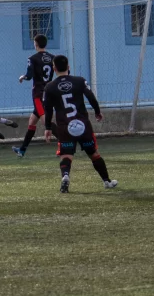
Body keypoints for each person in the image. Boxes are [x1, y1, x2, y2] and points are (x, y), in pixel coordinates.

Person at [43, 54, 117, 193]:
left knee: (66, 156)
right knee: (94, 154)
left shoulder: (49, 87)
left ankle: (65, 176)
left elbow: (48, 109)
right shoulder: (79, 81)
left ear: (54, 68)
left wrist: (48, 127)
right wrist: (97, 111)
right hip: (83, 125)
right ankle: (106, 181)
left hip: (65, 127)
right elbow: (91, 97)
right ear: (68, 67)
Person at [13, 34, 54, 158]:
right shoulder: (53, 58)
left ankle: (65, 144)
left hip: (38, 94)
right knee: (32, 121)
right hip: (49, 93)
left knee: (46, 122)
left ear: (36, 44)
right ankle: (22, 150)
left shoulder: (32, 58)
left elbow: (29, 76)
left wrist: (23, 77)